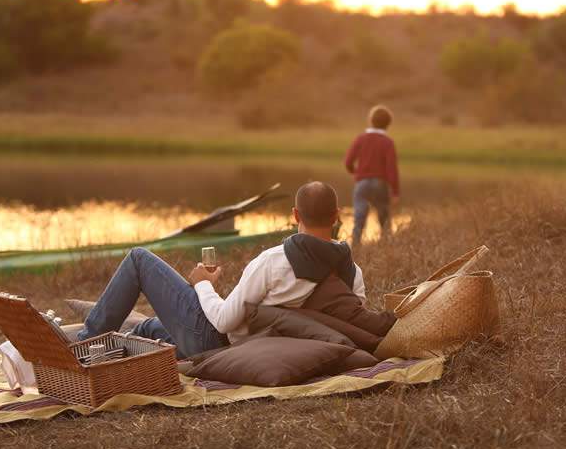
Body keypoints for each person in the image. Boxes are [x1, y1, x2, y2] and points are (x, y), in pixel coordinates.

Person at [76, 182, 366, 358]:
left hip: (215, 343)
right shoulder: (352, 272)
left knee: (139, 259)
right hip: (258, 343)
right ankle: (117, 341)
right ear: (336, 216)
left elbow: (224, 323)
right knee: (149, 328)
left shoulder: (274, 262)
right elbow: (348, 320)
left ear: (295, 215)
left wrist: (204, 284)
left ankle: (82, 344)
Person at [344, 105, 400, 246]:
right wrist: (395, 192)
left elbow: (348, 161)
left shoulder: (361, 139)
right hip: (380, 184)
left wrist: (356, 173)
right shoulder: (388, 142)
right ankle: (387, 248)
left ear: (370, 120)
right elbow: (391, 169)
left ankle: (355, 250)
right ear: (388, 124)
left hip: (362, 184)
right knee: (384, 220)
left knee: (359, 220)